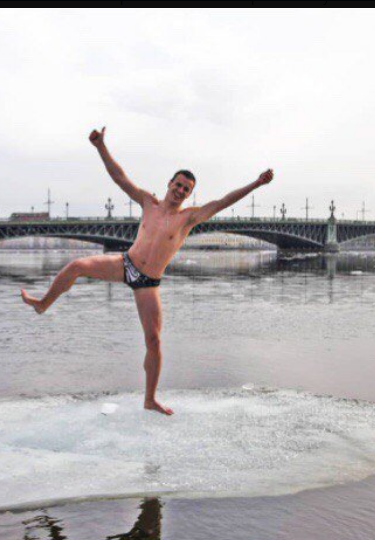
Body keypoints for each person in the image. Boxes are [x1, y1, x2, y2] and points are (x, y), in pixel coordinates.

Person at [21, 127, 274, 415]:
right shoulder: (148, 202)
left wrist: (256, 183)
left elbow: (222, 202)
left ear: (189, 194)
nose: (180, 191)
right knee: (77, 266)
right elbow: (119, 178)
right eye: (178, 185)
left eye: (186, 189)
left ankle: (150, 399)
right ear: (170, 183)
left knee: (153, 342)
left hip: (148, 283)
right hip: (125, 264)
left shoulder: (188, 218)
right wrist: (101, 147)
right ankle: (43, 304)